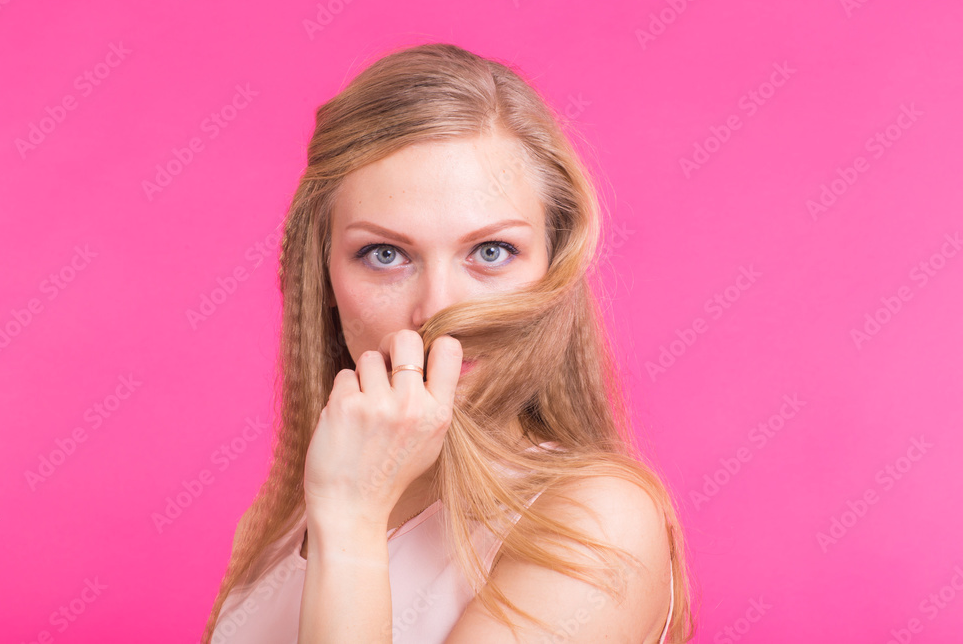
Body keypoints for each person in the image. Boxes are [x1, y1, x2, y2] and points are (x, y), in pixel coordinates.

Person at [202, 42, 694, 643]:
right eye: (384, 254)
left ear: (554, 271)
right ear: (324, 275)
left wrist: (353, 525)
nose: (438, 309)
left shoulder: (595, 523)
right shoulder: (290, 513)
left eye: (491, 252)